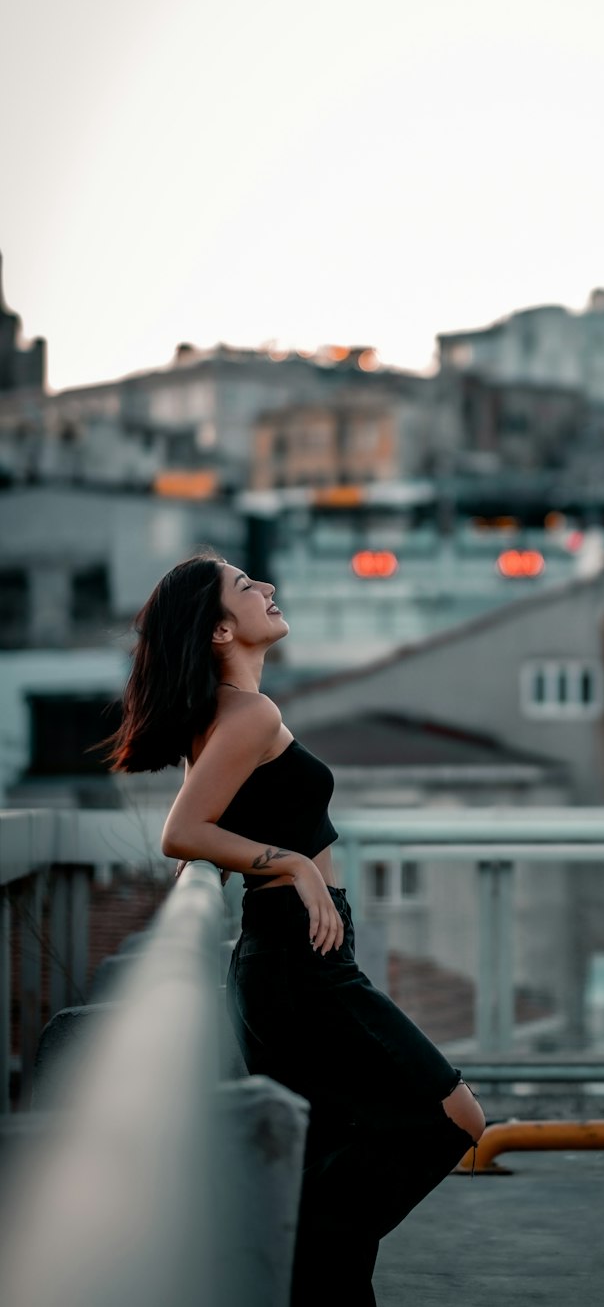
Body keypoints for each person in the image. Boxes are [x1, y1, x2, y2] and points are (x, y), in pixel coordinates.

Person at [106, 552, 485, 1306]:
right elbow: (182, 834)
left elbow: (208, 825)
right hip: (297, 965)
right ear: (219, 629)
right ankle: (298, 1262)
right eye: (247, 587)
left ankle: (313, 1275)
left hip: (281, 963)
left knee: (333, 1147)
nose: (268, 588)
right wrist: (295, 867)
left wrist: (281, 866)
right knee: (452, 1118)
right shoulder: (248, 715)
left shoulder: (223, 713)